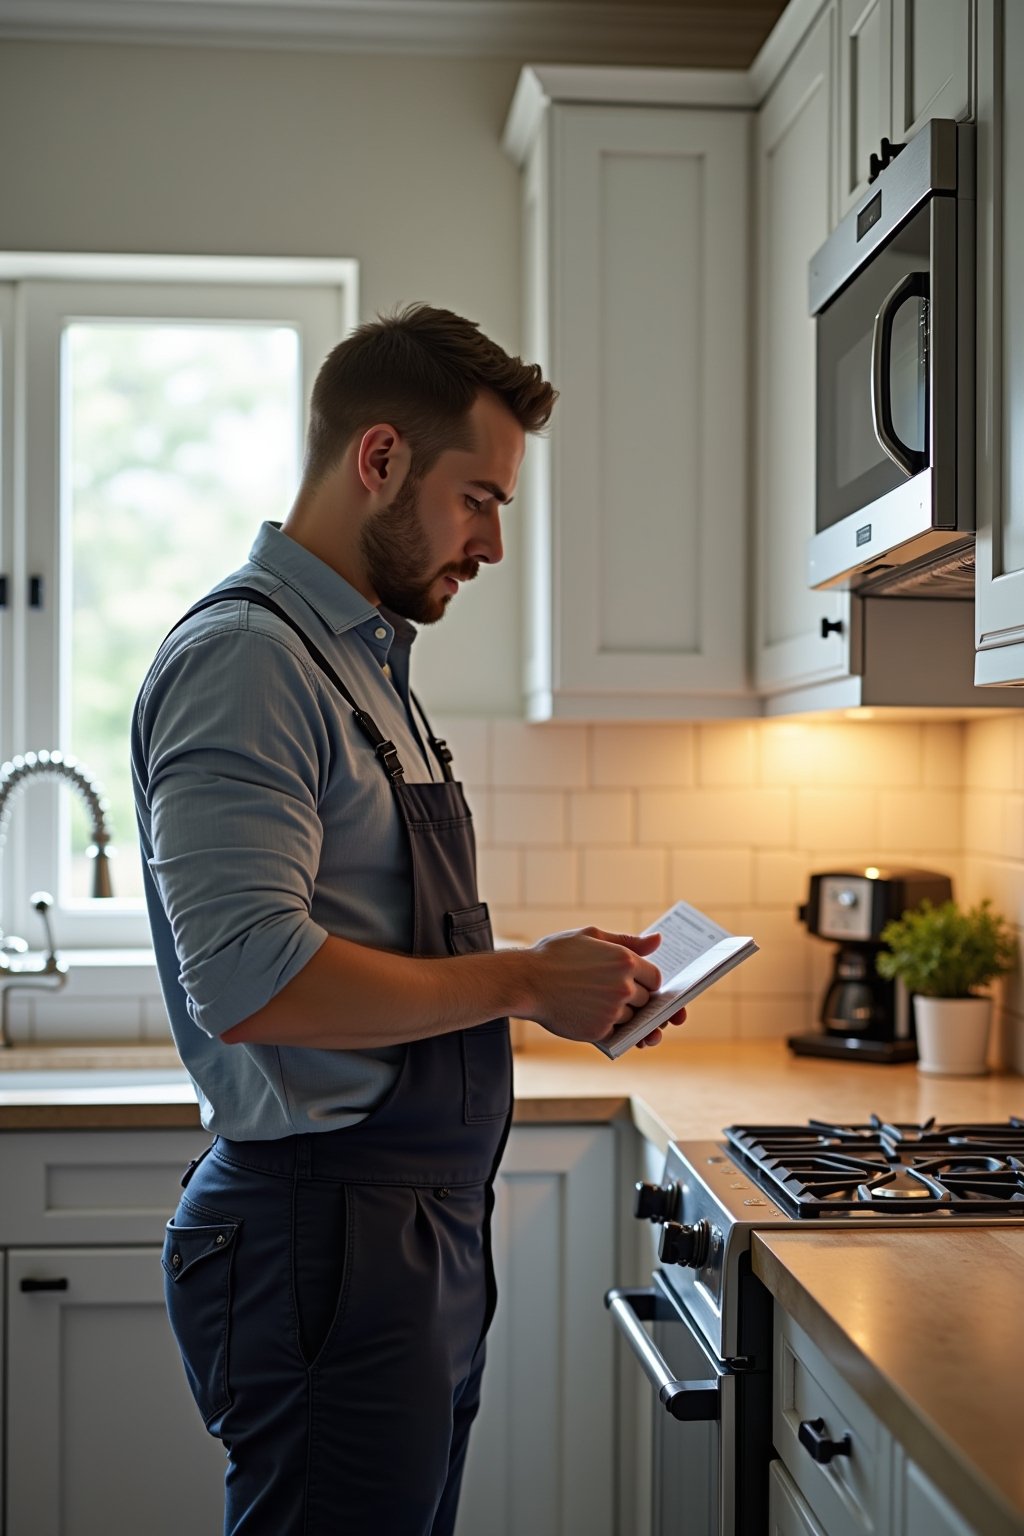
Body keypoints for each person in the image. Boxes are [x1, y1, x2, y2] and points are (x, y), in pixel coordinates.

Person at [131, 303, 685, 1536]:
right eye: (475, 498)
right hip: (320, 1237)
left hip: (404, 1230)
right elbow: (252, 981)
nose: (490, 543)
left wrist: (563, 977)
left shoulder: (361, 664)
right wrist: (521, 983)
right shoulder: (249, 660)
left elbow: (383, 936)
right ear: (379, 459)